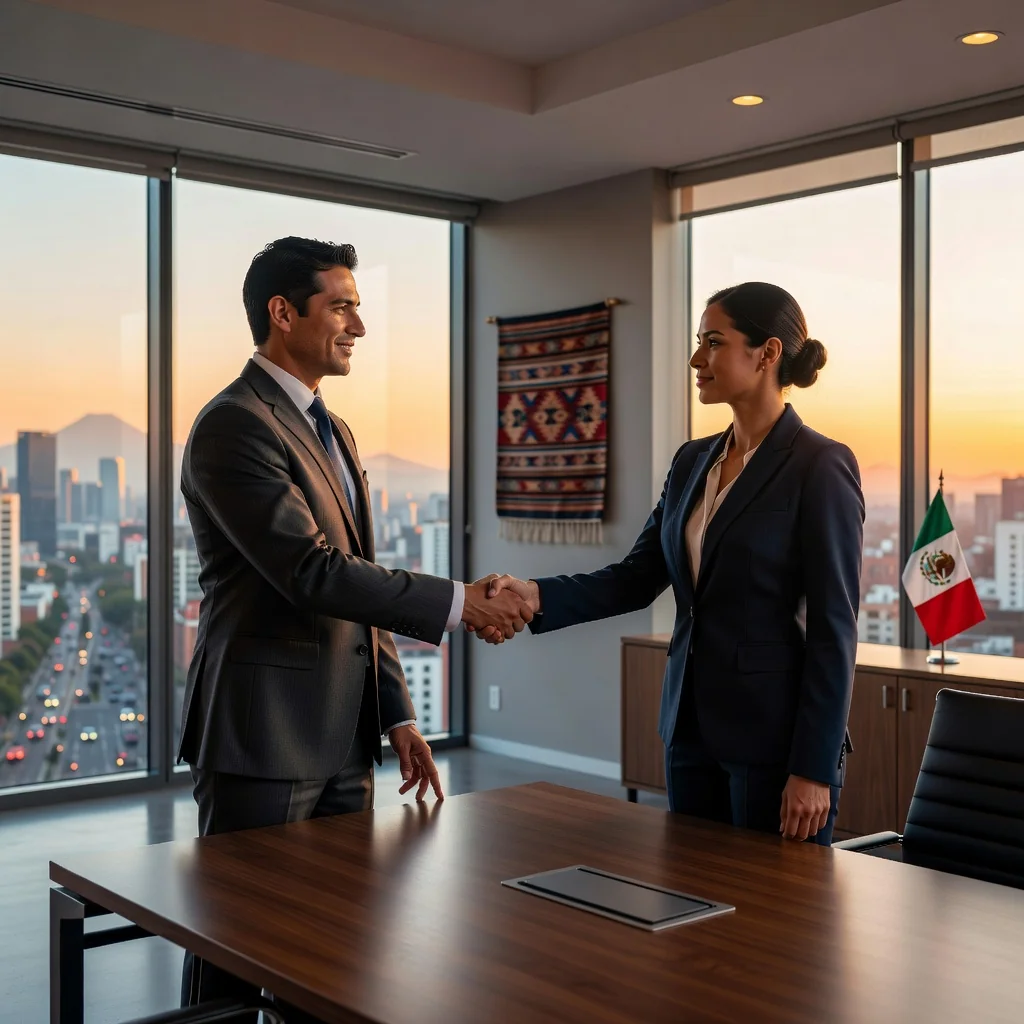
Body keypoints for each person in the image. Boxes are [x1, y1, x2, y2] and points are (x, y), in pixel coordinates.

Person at [177, 236, 532, 1020]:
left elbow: (357, 583)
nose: (358, 328)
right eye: (341, 307)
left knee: (332, 948)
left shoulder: (333, 430)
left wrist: (396, 711)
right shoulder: (234, 424)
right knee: (234, 949)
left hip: (345, 738)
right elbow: (310, 572)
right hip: (263, 734)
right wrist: (460, 602)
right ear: (282, 313)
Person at [480, 282, 864, 847]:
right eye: (698, 342)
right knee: (691, 892)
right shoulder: (691, 462)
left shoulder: (821, 465)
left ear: (767, 353)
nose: (696, 359)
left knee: (774, 903)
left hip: (776, 743)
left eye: (713, 342)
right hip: (688, 731)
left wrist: (814, 767)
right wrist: (535, 595)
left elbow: (835, 628)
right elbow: (637, 577)